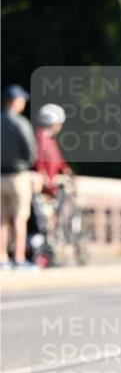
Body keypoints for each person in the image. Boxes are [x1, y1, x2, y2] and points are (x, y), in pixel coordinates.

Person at [1, 84, 37, 269]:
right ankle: (19, 257)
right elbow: (30, 150)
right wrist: (27, 164)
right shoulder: (20, 122)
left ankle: (2, 258)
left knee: (1, 219)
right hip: (17, 175)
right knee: (19, 217)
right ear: (14, 101)